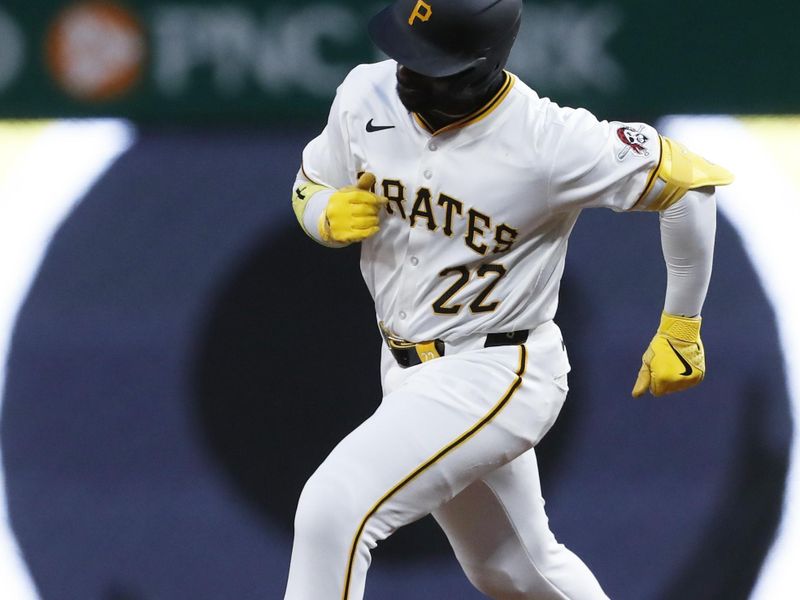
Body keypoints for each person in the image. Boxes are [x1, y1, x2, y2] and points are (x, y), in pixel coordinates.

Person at [285, 0, 732, 597]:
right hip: (404, 364)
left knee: (333, 508)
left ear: (480, 64)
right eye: (404, 53)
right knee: (514, 567)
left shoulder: (547, 140)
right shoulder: (364, 94)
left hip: (499, 368)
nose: (405, 72)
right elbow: (309, 182)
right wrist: (320, 212)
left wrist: (682, 322)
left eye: (426, 62)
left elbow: (688, 182)